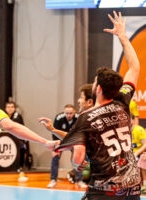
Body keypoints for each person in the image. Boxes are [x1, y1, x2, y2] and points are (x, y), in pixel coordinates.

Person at [55, 11, 141, 199]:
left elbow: (78, 158)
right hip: (132, 186)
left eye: (94, 82)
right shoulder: (122, 100)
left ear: (99, 89)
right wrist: (124, 37)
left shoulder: (85, 118)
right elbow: (135, 67)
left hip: (105, 190)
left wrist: (77, 164)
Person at [40, 84, 94, 186]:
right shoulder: (60, 118)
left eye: (81, 97)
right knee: (56, 156)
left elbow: (75, 141)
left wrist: (75, 158)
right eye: (67, 113)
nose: (78, 100)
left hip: (80, 147)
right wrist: (53, 133)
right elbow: (72, 137)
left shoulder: (81, 118)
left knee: (79, 159)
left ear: (90, 102)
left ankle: (79, 180)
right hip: (70, 141)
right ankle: (53, 180)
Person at [5, 101, 29, 170]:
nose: (10, 109)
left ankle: (20, 167)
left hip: (20, 138)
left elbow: (11, 126)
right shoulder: (4, 116)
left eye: (12, 107)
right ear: (5, 108)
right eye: (8, 107)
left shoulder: (17, 116)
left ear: (14, 108)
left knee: (21, 146)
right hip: (8, 139)